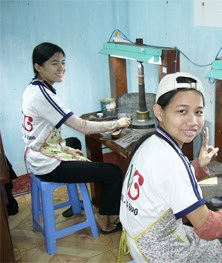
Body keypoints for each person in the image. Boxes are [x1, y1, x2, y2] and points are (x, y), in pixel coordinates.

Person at [119, 72, 222, 262]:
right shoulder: (171, 161)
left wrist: (197, 166)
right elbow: (208, 228)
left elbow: (165, 184)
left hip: (141, 243)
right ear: (159, 112)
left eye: (198, 112)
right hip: (162, 253)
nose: (193, 121)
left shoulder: (149, 143)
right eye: (182, 111)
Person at [21, 42, 131, 233]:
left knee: (73, 142)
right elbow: (82, 126)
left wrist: (66, 149)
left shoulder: (34, 88)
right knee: (112, 172)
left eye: (63, 62)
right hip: (45, 164)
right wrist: (117, 123)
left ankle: (75, 203)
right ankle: (103, 219)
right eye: (54, 63)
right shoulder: (43, 95)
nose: (61, 68)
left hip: (37, 150)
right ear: (38, 67)